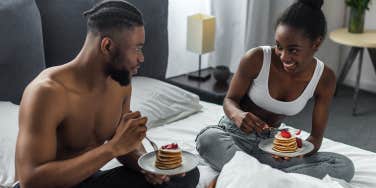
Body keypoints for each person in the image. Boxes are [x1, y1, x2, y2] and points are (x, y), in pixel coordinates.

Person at [15, 1, 199, 187]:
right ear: (107, 46)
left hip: (90, 181)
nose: (141, 58)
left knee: (184, 174)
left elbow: (126, 146)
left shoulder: (120, 85)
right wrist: (112, 148)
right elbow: (31, 180)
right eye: (137, 48)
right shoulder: (47, 93)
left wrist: (147, 166)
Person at [196, 0, 354, 182]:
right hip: (233, 136)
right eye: (279, 46)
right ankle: (273, 179)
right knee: (208, 139)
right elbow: (229, 100)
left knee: (343, 165)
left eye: (293, 50)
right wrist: (238, 115)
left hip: (274, 147)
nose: (284, 56)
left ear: (316, 43)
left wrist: (295, 151)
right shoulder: (256, 58)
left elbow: (315, 139)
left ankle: (251, 175)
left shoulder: (325, 78)